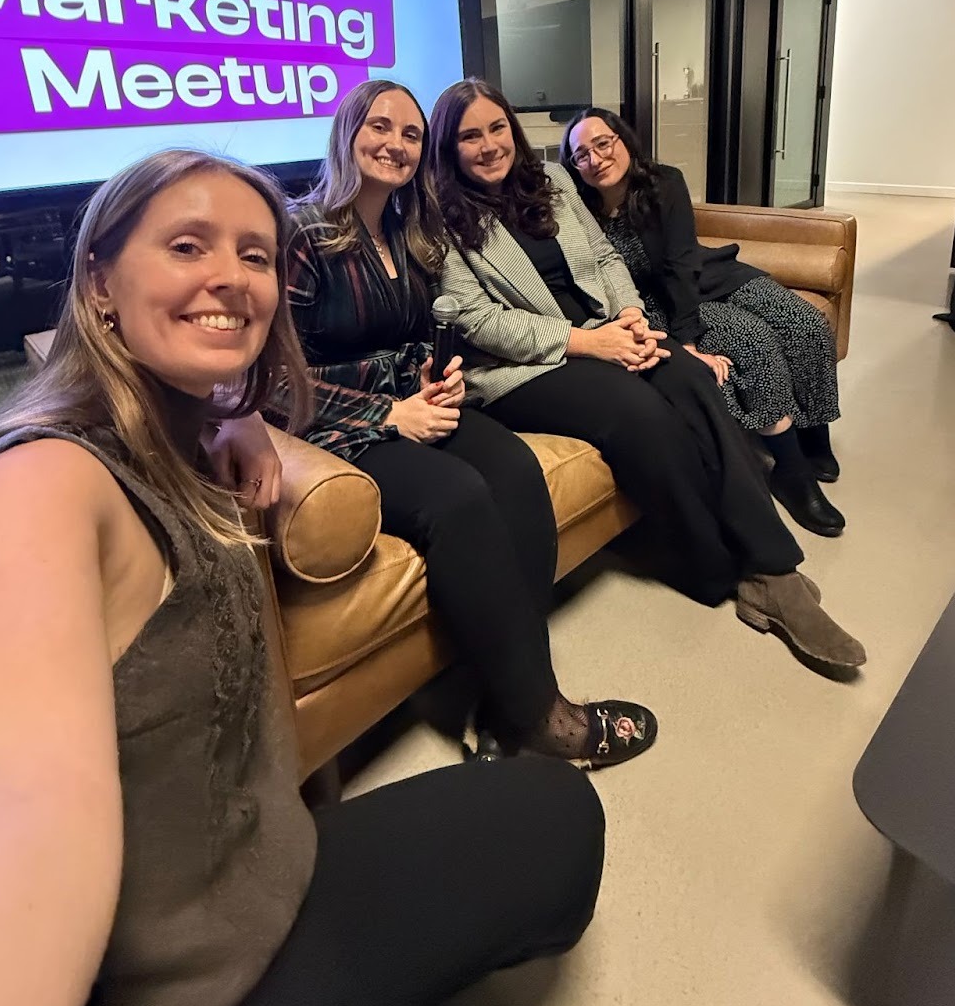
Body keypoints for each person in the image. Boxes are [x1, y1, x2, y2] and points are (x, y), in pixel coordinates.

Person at [0, 147, 607, 1006]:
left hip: (270, 875)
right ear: (98, 284)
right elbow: (7, 828)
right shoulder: (30, 491)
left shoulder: (182, 424)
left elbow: (228, 389)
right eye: (186, 245)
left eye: (254, 256)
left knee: (560, 816)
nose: (230, 278)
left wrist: (232, 415)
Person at [427, 79, 865, 676]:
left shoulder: (552, 182)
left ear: (513, 128)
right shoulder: (441, 216)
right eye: (468, 136)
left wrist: (629, 316)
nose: (488, 145)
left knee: (689, 378)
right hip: (526, 366)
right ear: (448, 148)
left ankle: (773, 569)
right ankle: (716, 570)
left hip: (606, 327)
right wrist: (588, 342)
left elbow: (605, 258)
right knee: (640, 412)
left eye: (496, 128)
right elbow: (477, 319)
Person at [287, 78, 656, 768]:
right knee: (459, 500)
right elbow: (272, 376)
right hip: (335, 431)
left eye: (410, 134)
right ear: (345, 132)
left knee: (516, 472)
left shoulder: (406, 229)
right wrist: (389, 412)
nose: (395, 143)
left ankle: (502, 690)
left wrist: (437, 374)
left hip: (416, 404)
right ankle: (543, 719)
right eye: (380, 126)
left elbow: (429, 331)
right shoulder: (301, 232)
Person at [560, 108, 845, 538]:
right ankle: (790, 472)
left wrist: (689, 336)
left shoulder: (663, 182)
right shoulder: (579, 209)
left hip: (700, 277)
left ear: (623, 141)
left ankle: (814, 434)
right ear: (574, 167)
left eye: (604, 143)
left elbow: (680, 263)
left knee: (803, 321)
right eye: (582, 154)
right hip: (654, 304)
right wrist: (688, 340)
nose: (596, 158)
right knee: (752, 340)